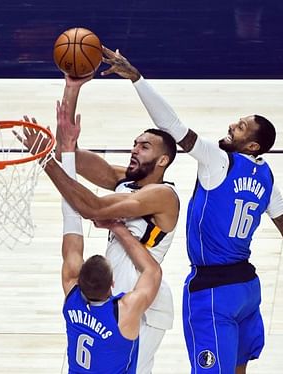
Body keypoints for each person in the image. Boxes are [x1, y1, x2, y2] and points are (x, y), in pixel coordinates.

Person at [101, 46, 283, 374]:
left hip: (213, 292)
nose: (232, 126)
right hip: (246, 289)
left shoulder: (220, 162)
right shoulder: (267, 178)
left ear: (252, 146)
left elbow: (173, 126)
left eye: (241, 127)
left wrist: (137, 79)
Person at [22, 82, 180, 374]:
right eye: (134, 143)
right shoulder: (124, 180)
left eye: (144, 147)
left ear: (163, 160)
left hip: (142, 297)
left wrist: (47, 160)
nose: (134, 150)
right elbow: (66, 153)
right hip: (111, 296)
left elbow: (91, 207)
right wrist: (72, 86)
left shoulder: (163, 195)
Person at [59, 144, 162, 373]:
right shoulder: (124, 310)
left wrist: (65, 156)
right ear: (113, 284)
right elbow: (152, 271)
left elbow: (70, 226)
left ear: (78, 280)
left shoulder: (71, 295)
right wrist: (119, 229)